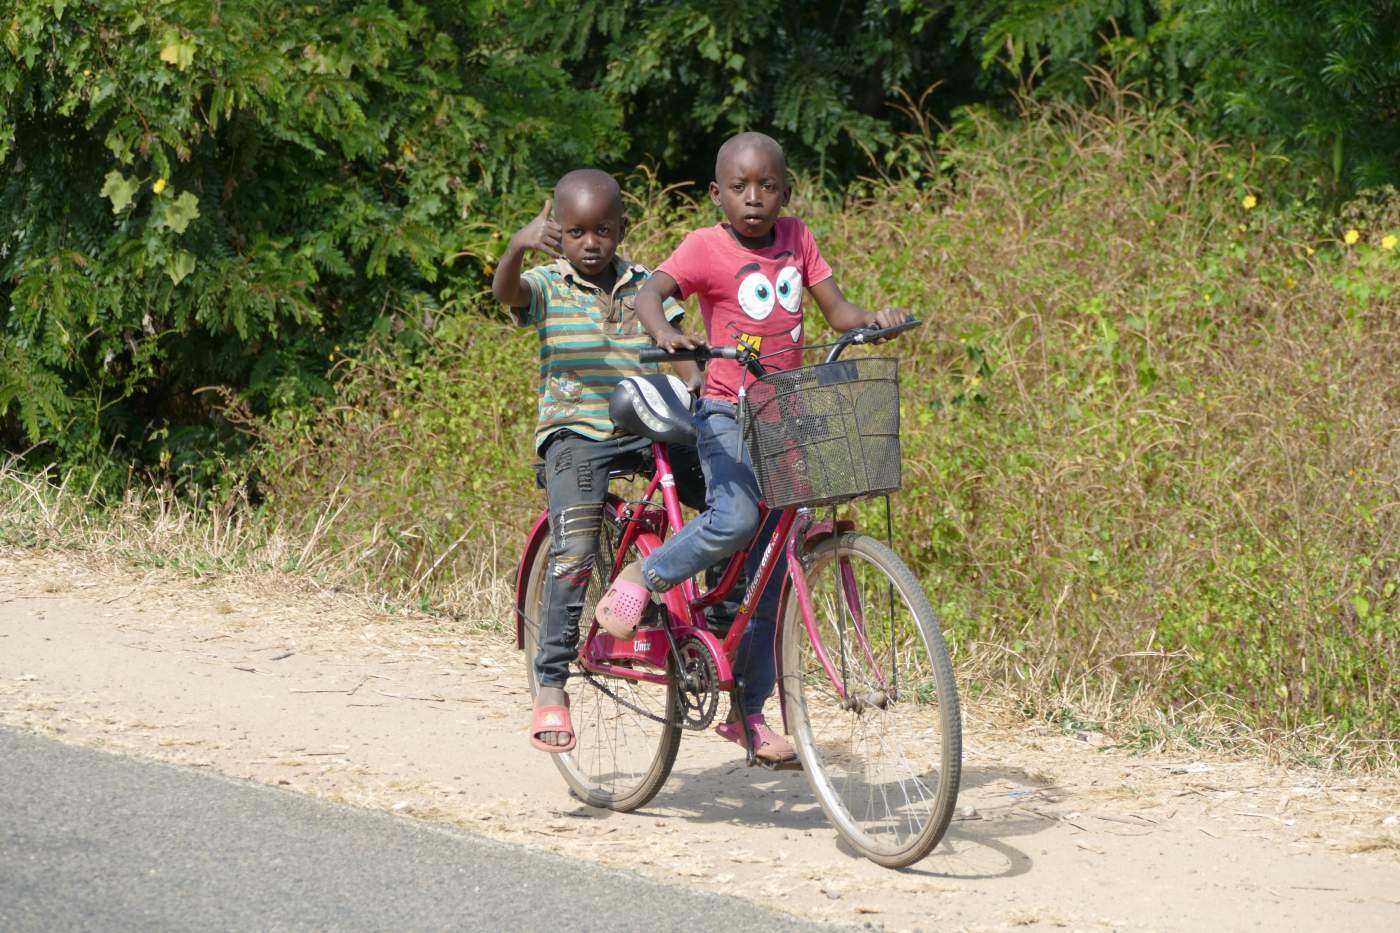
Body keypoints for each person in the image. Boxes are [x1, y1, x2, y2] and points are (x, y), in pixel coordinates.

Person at [595, 132, 910, 762]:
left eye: (768, 186)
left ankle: (750, 713)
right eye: (739, 187)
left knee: (774, 570)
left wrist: (872, 320)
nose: (754, 198)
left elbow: (838, 312)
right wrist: (668, 335)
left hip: (785, 410)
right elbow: (649, 292)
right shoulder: (705, 247)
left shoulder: (798, 239)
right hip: (725, 411)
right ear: (718, 194)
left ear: (786, 192)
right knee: (736, 518)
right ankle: (643, 574)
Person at [492, 168, 705, 754]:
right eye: (577, 230)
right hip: (576, 433)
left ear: (621, 229)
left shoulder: (644, 286)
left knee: (726, 499)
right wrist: (516, 246)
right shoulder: (546, 283)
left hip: (648, 422)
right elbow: (506, 294)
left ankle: (708, 627)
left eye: (603, 231)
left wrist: (702, 392)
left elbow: (677, 350)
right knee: (577, 546)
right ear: (558, 229)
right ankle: (552, 686)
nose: (591, 243)